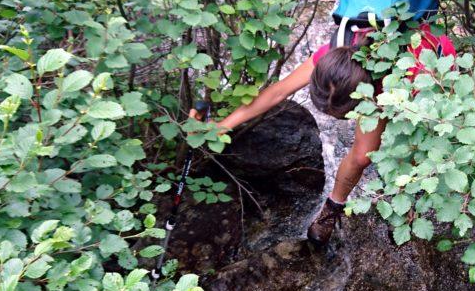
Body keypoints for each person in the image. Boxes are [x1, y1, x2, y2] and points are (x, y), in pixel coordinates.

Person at [189, 22, 455, 246]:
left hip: (425, 81)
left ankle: (405, 210)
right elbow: (278, 92)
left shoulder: (416, 71)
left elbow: (431, 125)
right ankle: (333, 207)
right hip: (371, 78)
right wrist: (223, 124)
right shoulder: (334, 58)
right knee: (362, 156)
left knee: (407, 152)